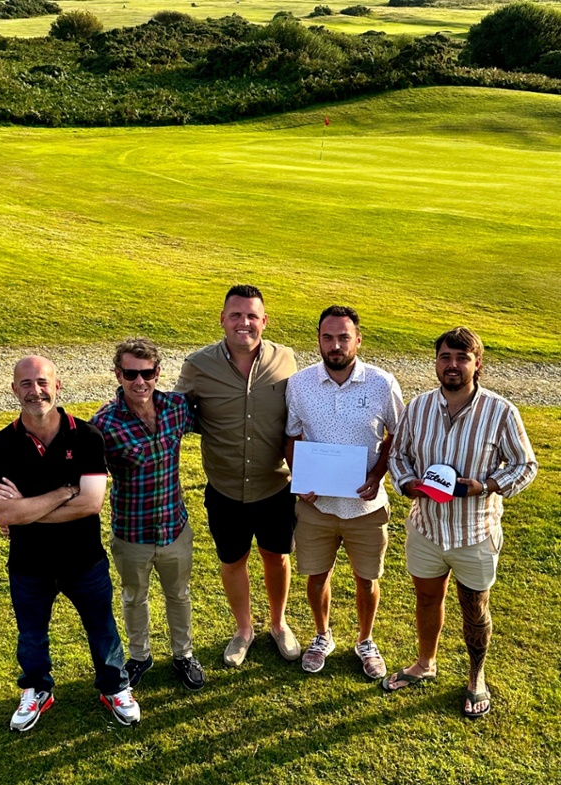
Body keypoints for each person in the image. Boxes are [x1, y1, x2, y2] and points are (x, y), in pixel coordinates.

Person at [385, 327, 537, 719]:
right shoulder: (418, 407)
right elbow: (398, 455)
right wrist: (407, 483)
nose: (452, 365)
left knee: (475, 609)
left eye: (462, 357)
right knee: (427, 599)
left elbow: (525, 465)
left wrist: (485, 486)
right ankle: (425, 662)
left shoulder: (501, 411)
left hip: (475, 533)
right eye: (445, 357)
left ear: (477, 363)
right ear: (436, 362)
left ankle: (476, 677)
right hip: (427, 529)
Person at [0, 356, 140, 731]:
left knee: (102, 628)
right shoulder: (0, 446)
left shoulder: (86, 437)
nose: (35, 391)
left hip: (83, 560)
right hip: (28, 563)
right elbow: (3, 514)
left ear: (58, 387)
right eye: (25, 384)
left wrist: (26, 509)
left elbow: (90, 504)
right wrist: (65, 491)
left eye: (42, 382)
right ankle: (37, 689)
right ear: (14, 390)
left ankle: (115, 687)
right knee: (31, 635)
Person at [175, 284, 300, 666]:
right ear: (223, 320)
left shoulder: (288, 360)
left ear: (264, 321)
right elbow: (174, 413)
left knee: (276, 557)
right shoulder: (198, 365)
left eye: (251, 316)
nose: (243, 322)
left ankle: (278, 624)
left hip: (275, 486)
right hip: (225, 488)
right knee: (233, 561)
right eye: (235, 315)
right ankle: (243, 629)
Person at [285, 306, 404, 676]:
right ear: (319, 339)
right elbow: (291, 434)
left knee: (366, 579)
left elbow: (396, 435)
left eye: (343, 337)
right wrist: (300, 476)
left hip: (365, 507)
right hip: (317, 507)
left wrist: (379, 473)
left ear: (358, 340)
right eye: (327, 337)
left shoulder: (382, 383)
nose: (335, 345)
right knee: (317, 576)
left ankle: (365, 640)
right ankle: (323, 635)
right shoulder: (300, 383)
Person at [91, 338, 204, 691]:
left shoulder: (176, 407)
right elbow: (83, 473)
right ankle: (140, 656)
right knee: (133, 597)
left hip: (175, 527)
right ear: (118, 375)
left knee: (179, 595)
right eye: (130, 374)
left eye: (147, 373)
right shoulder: (103, 424)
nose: (140, 381)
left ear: (158, 373)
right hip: (131, 533)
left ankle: (183, 654)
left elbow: (221, 423)